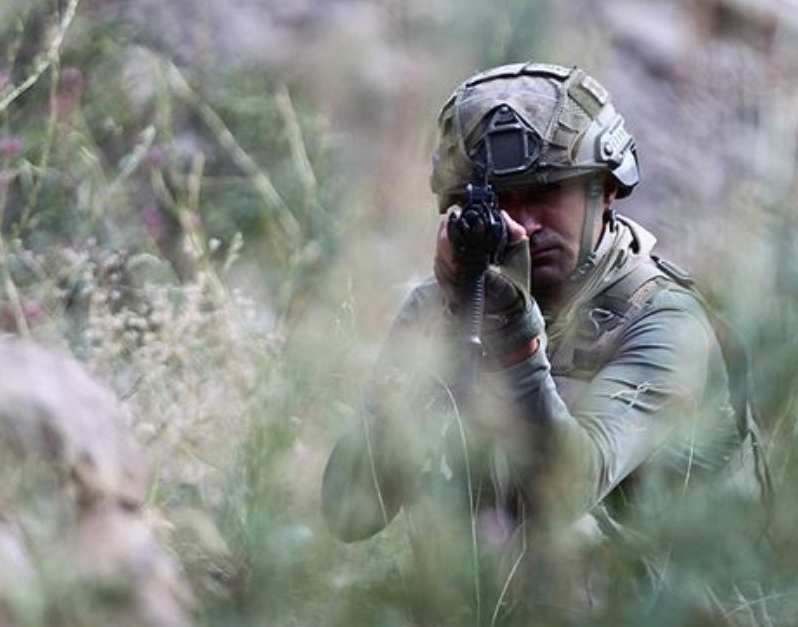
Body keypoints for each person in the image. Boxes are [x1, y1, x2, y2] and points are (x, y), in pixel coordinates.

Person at [321, 62, 763, 616]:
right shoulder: (450, 304)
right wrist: (443, 326)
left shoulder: (662, 321)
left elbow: (566, 488)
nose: (524, 224)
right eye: (499, 201)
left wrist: (512, 334)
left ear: (605, 189)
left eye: (547, 192)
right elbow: (351, 509)